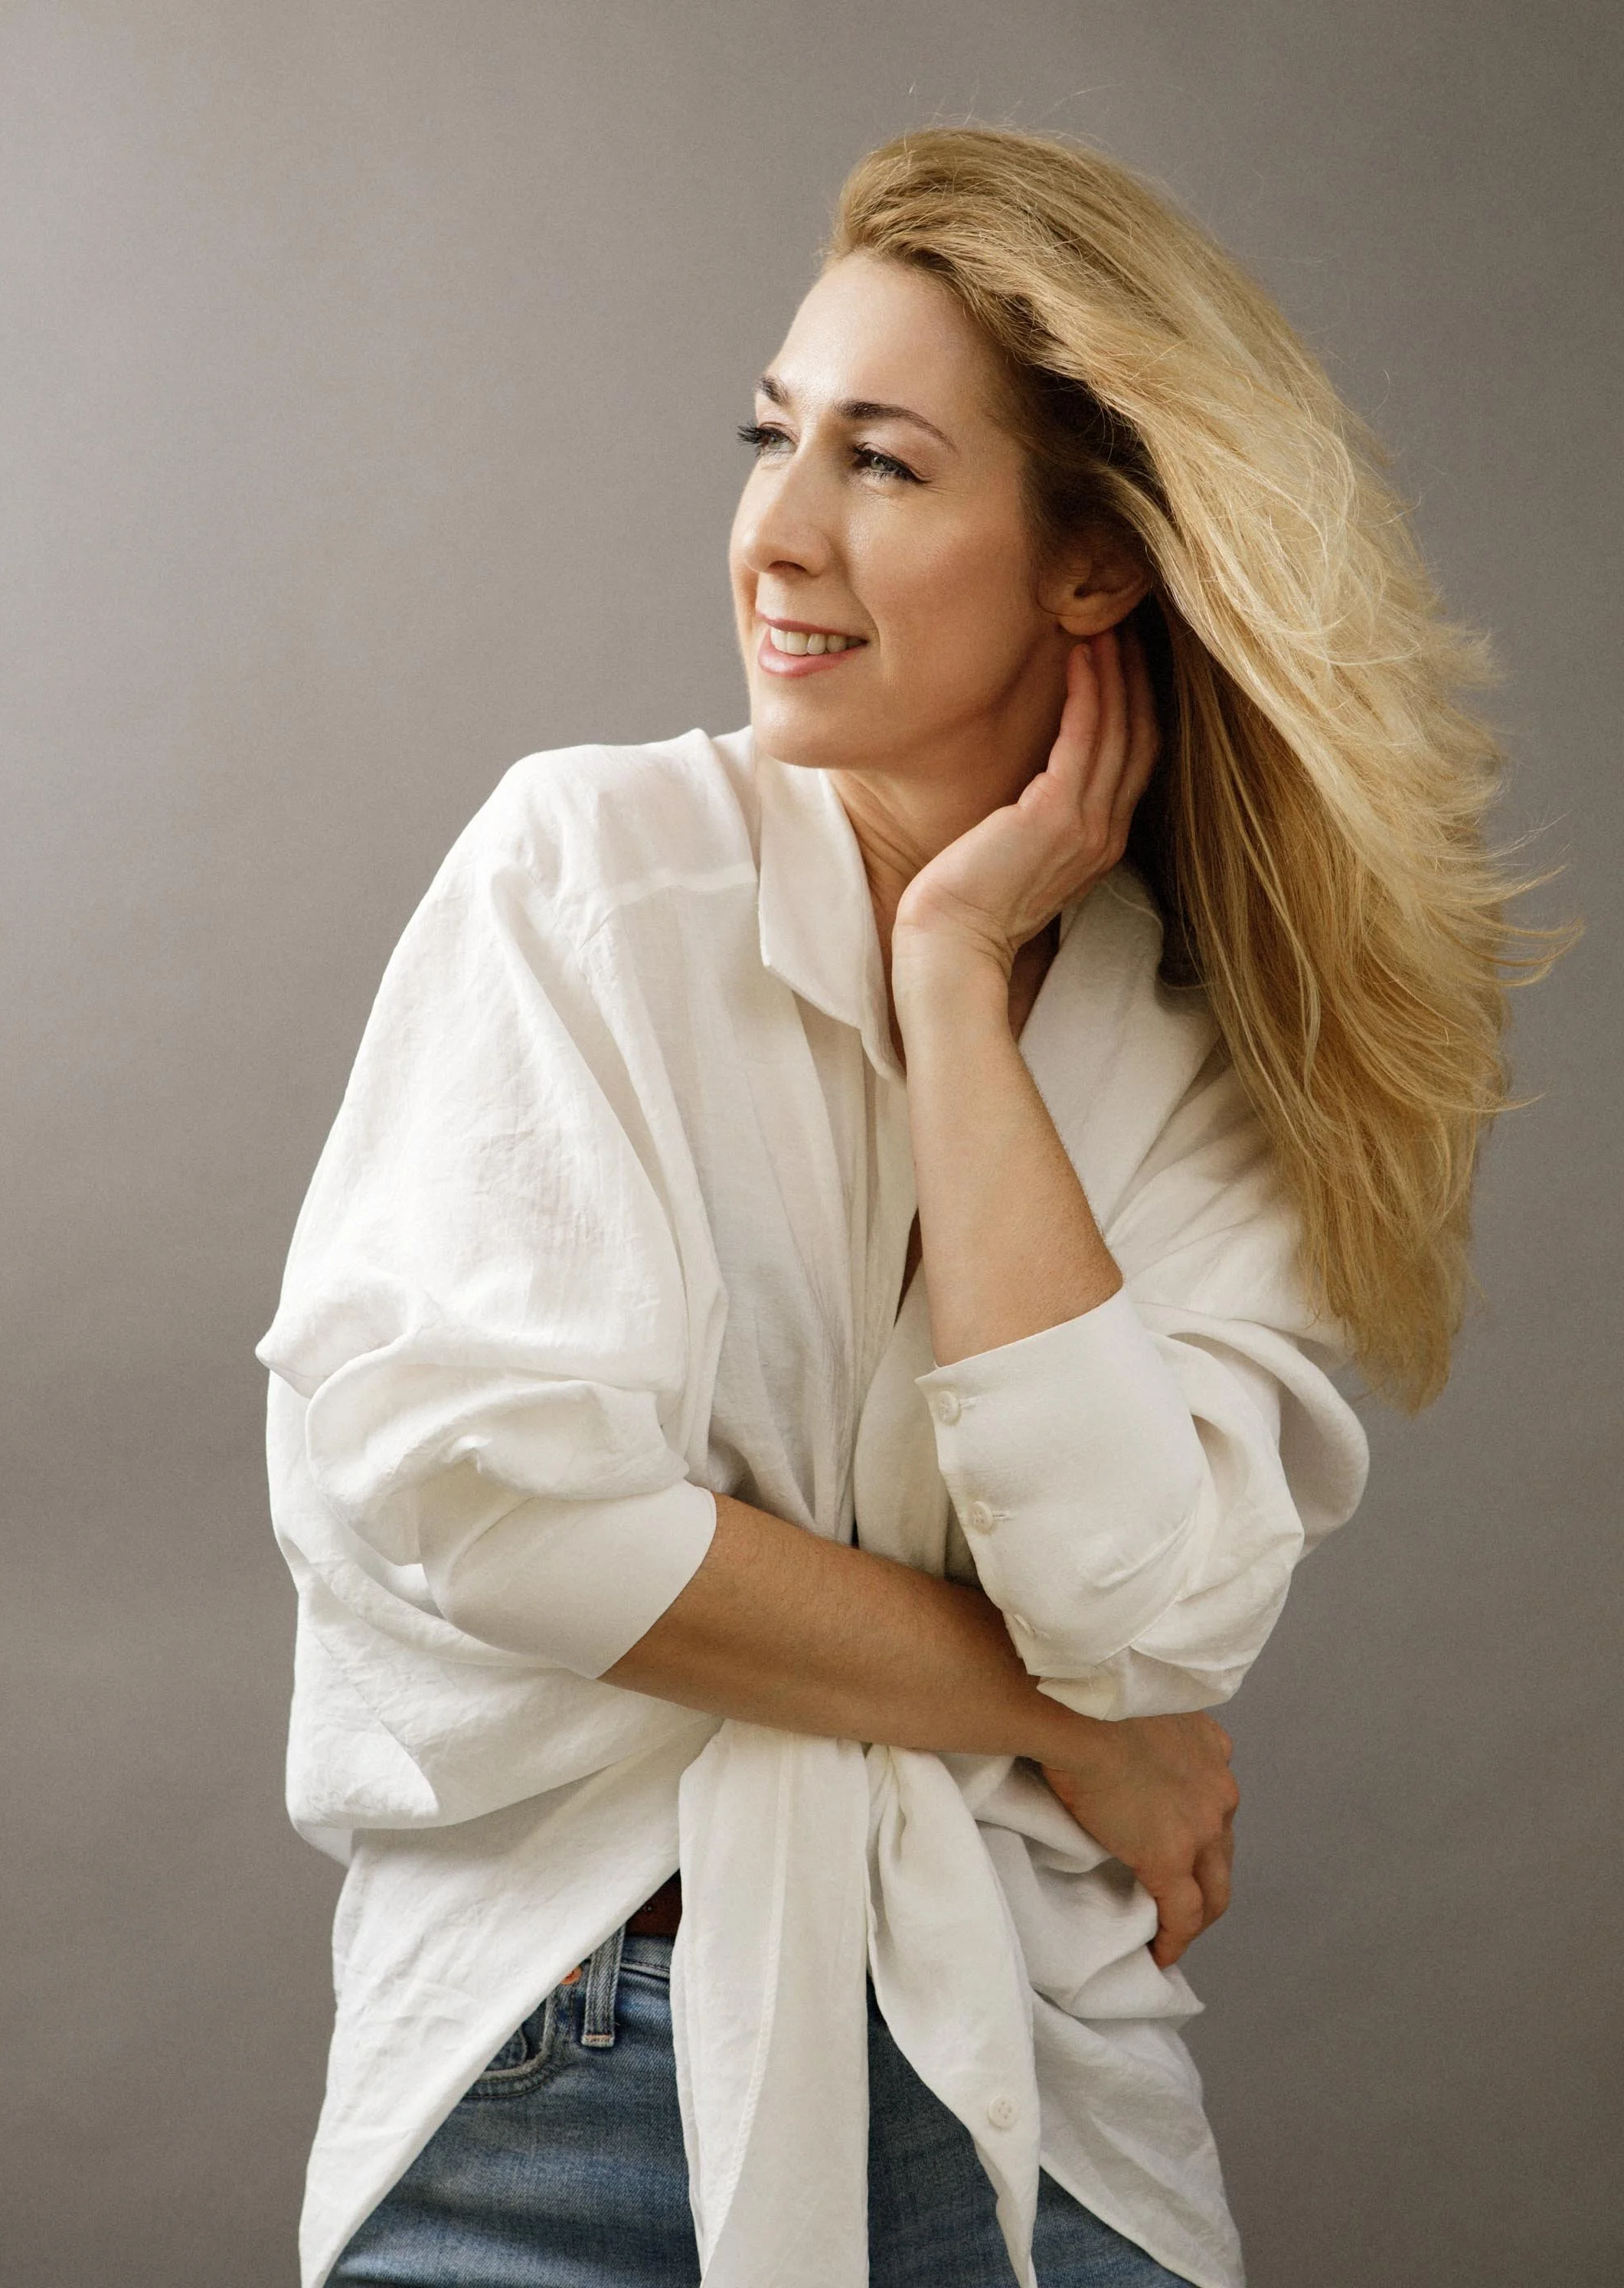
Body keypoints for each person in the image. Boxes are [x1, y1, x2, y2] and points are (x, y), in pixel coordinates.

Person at [259, 127, 1526, 2288]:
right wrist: (1050, 1721)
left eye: (886, 464)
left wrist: (954, 990)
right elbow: (481, 1501)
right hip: (555, 2080)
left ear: (1093, 567)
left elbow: (1141, 1616)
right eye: (773, 437)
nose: (778, 530)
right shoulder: (585, 879)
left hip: (1025, 2079)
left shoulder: (1203, 1053)